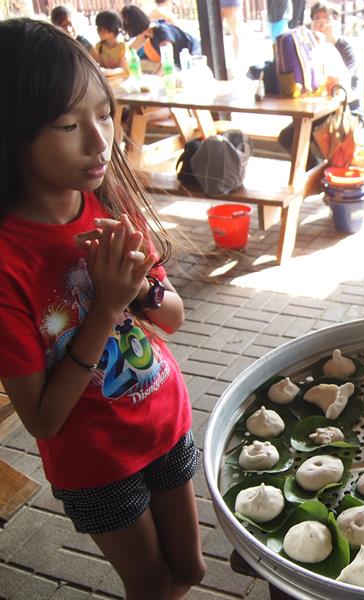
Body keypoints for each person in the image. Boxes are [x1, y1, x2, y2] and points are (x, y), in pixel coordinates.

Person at [0, 19, 206, 599]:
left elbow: (172, 318)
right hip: (96, 461)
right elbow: (41, 419)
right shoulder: (8, 261)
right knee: (150, 582)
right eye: (69, 124)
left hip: (166, 421)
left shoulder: (104, 200)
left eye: (104, 114)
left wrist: (140, 290)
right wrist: (105, 309)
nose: (100, 142)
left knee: (189, 571)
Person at [277, 1, 361, 170]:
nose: (321, 23)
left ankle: (320, 174)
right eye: (317, 19)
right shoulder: (308, 47)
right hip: (318, 111)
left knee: (299, 134)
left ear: (336, 23)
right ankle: (313, 171)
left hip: (345, 111)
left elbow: (344, 81)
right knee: (288, 137)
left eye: (327, 19)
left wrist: (328, 44)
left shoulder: (343, 47)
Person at [91, 10, 129, 79]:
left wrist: (109, 71)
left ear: (112, 29)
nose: (98, 30)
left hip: (121, 80)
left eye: (101, 28)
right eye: (98, 27)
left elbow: (123, 68)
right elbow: (100, 66)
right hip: (107, 81)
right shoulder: (99, 46)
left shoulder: (122, 46)